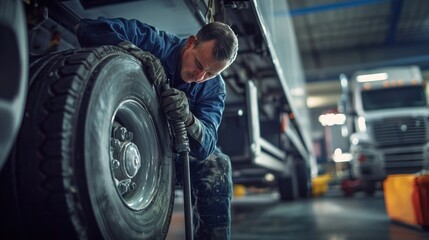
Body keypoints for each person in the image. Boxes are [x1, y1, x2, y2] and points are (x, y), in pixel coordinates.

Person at [75, 16, 238, 239]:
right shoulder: (157, 43)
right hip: (129, 141)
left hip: (173, 155)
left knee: (217, 164)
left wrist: (188, 119)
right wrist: (137, 54)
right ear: (190, 42)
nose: (199, 77)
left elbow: (206, 145)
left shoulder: (214, 88)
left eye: (210, 73)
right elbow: (89, 28)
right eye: (199, 64)